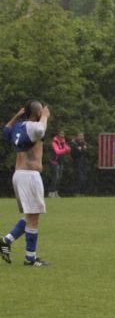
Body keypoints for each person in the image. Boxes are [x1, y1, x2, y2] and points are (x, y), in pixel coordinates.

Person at [1, 101, 52, 266]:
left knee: (29, 216)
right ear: (37, 113)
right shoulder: (33, 127)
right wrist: (45, 116)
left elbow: (6, 130)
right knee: (34, 217)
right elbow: (41, 129)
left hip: (19, 174)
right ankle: (30, 258)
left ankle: (6, 240)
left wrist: (16, 116)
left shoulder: (19, 126)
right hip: (29, 175)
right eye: (41, 110)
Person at [48, 129, 71, 197]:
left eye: (63, 134)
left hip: (61, 161)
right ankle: (51, 192)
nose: (62, 135)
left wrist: (68, 150)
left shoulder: (63, 142)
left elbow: (67, 149)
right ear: (57, 135)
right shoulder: (54, 142)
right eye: (61, 134)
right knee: (55, 177)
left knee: (59, 178)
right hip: (54, 161)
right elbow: (57, 151)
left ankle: (56, 192)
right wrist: (66, 149)